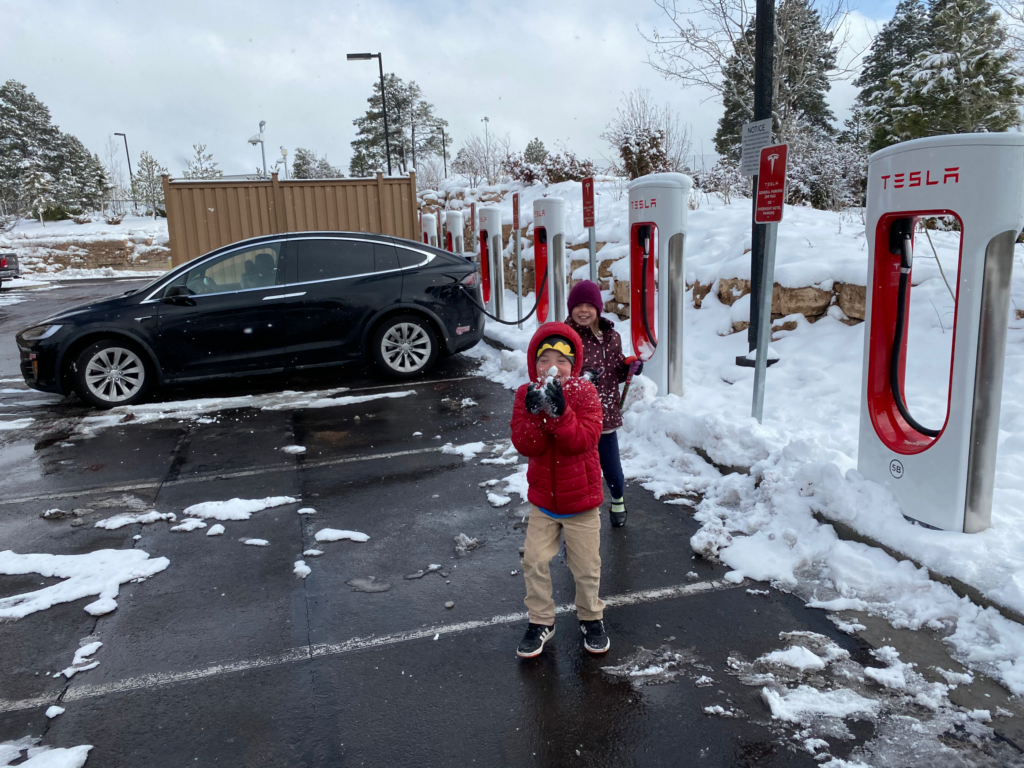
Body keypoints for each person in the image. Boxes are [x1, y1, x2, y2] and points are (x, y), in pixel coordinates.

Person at [511, 322, 608, 658]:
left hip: (581, 501)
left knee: (586, 567)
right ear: (533, 364)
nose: (552, 367)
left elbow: (584, 440)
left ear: (574, 364)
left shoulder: (585, 393)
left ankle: (591, 616)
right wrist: (537, 414)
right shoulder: (526, 394)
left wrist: (560, 413)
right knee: (535, 561)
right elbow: (526, 445)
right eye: (544, 359)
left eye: (562, 360)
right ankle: (541, 621)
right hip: (544, 502)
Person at [566, 280, 642, 528]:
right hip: (575, 415)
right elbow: (556, 371)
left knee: (611, 465)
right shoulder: (564, 336)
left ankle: (617, 498)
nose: (584, 310)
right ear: (571, 308)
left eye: (590, 305)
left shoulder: (611, 336)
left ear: (598, 308)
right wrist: (582, 380)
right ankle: (581, 509)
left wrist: (629, 367)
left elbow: (615, 371)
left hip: (605, 412)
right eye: (579, 305)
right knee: (578, 467)